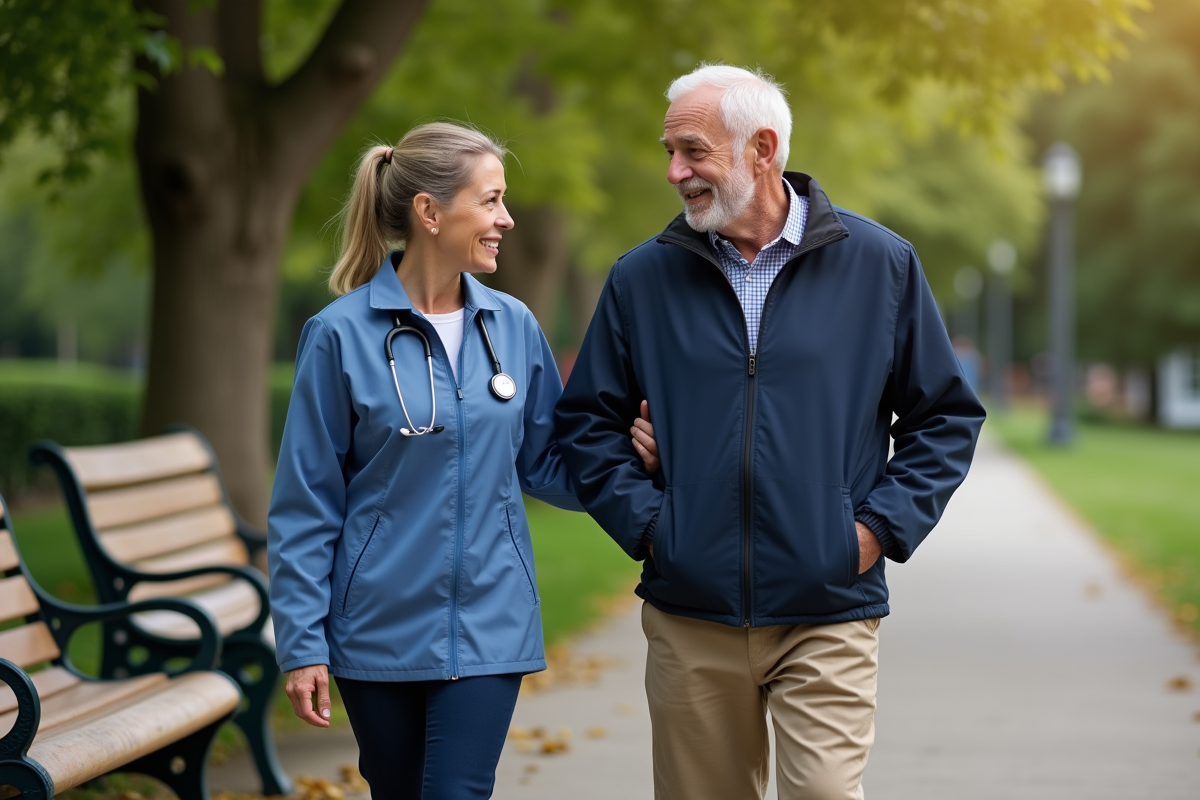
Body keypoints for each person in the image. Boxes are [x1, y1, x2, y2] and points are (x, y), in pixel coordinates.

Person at [555, 65, 985, 800]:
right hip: (691, 611)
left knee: (821, 791)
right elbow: (588, 424)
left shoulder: (881, 265)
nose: (673, 171)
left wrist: (873, 531)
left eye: (692, 151)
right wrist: (657, 528)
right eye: (669, 151)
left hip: (828, 606)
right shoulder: (642, 279)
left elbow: (943, 418)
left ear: (762, 148)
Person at [267, 122, 658, 800]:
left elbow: (548, 465)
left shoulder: (513, 326)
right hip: (375, 625)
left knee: (457, 792)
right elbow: (307, 503)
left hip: (490, 619)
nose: (506, 219)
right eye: (491, 201)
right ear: (430, 212)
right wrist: (302, 641)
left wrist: (629, 459)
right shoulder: (337, 337)